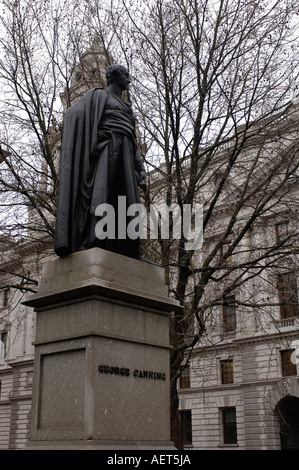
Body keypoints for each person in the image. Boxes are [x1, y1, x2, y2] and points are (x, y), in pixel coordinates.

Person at [54, 64, 150, 262]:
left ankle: (133, 250)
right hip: (107, 153)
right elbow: (74, 115)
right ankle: (94, 240)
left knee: (129, 203)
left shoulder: (128, 109)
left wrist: (140, 168)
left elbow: (132, 141)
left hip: (125, 157)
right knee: (101, 197)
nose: (129, 80)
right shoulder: (98, 96)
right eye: (126, 75)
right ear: (115, 77)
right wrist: (93, 140)